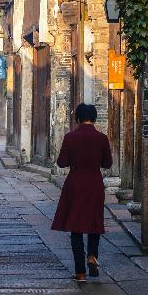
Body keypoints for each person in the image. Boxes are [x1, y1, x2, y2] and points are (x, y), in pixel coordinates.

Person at [51, 103, 113, 281]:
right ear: (94, 118)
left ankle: (80, 272)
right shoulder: (102, 138)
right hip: (94, 183)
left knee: (76, 227)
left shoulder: (70, 137)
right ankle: (92, 256)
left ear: (77, 118)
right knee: (94, 224)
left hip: (76, 184)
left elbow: (62, 162)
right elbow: (107, 163)